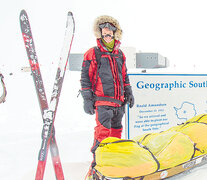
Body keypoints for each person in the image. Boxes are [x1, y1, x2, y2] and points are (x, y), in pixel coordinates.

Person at [80, 15, 134, 179]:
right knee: (102, 136)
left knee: (116, 135)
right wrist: (87, 99)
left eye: (109, 32)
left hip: (119, 102)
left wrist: (129, 92)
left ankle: (113, 165)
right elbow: (85, 78)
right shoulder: (93, 53)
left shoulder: (120, 54)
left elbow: (124, 76)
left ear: (115, 33)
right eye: (103, 32)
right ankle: (96, 167)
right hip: (103, 102)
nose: (107, 35)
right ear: (100, 33)